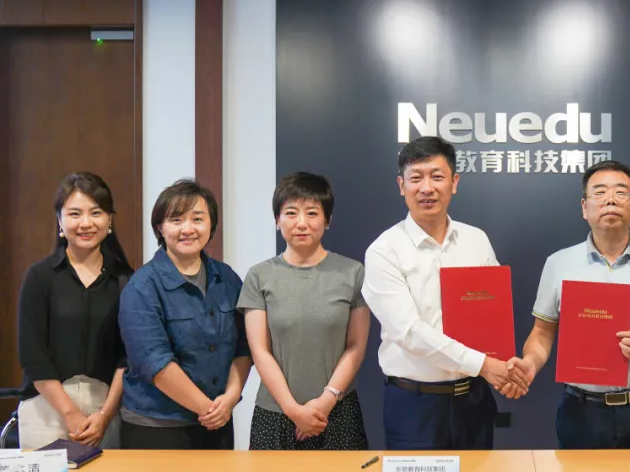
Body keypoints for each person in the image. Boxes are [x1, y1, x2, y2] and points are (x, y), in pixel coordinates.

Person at [509, 160, 630, 449]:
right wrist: (530, 362)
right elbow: (542, 332)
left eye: (621, 192)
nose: (611, 199)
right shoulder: (559, 263)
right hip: (583, 412)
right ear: (584, 207)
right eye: (600, 192)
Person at [362, 137, 525, 450]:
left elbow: (493, 317)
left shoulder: (476, 240)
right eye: (416, 178)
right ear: (401, 185)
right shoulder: (384, 251)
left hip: (474, 399)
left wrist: (504, 369)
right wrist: (486, 366)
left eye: (437, 176)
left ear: (454, 182)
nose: (427, 188)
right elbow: (409, 332)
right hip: (415, 405)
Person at [238, 172, 371, 450]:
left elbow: (356, 346)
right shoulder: (259, 276)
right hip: (276, 413)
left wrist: (326, 401)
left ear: (327, 220)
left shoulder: (352, 273)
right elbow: (260, 351)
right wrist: (293, 410)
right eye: (290, 213)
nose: (301, 223)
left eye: (312, 213)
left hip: (337, 412)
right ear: (277, 220)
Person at [118, 179, 252, 449]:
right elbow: (154, 362)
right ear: (160, 227)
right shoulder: (142, 286)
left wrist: (230, 398)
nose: (188, 229)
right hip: (157, 425)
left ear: (211, 224)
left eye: (198, 219)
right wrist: (208, 409)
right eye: (176, 220)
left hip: (217, 421)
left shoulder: (226, 278)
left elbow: (243, 346)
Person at [16, 172, 134, 449]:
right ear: (60, 220)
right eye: (74, 214)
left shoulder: (127, 280)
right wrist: (70, 414)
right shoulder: (40, 277)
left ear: (109, 220)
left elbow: (128, 356)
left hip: (106, 410)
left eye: (96, 212)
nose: (85, 223)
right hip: (45, 409)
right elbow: (33, 355)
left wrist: (104, 415)